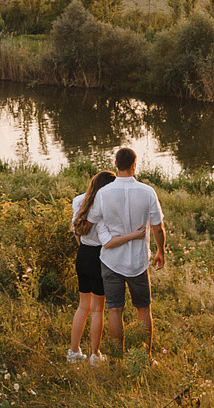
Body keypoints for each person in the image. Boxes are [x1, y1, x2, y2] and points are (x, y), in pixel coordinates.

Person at [88, 146, 165, 357]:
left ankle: (116, 359)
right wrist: (161, 251)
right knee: (143, 309)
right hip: (138, 262)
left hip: (111, 261)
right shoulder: (147, 192)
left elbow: (92, 220)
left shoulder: (103, 194)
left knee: (114, 309)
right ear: (134, 165)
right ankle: (146, 357)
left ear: (115, 165)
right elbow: (157, 226)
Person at [65, 170, 115, 363]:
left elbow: (77, 233)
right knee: (97, 310)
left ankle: (74, 351)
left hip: (83, 254)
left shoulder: (79, 201)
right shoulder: (106, 207)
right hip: (99, 256)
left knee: (82, 306)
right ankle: (95, 355)